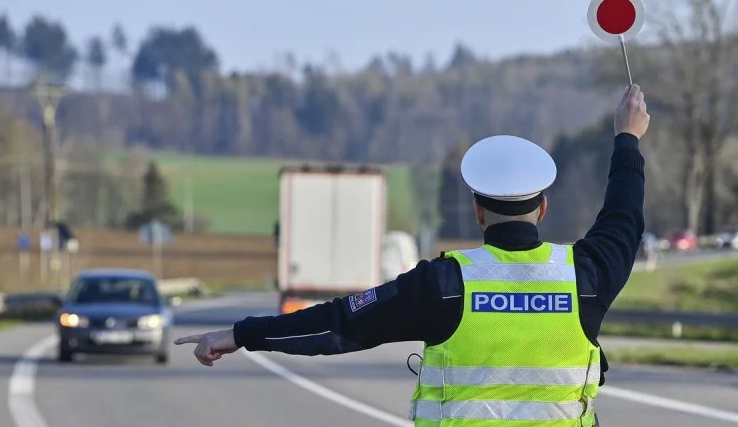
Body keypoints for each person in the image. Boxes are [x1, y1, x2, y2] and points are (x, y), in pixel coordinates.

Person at [175, 84, 650, 426]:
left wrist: (240, 334)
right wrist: (627, 138)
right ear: (543, 208)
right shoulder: (586, 277)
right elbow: (623, 216)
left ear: (478, 212)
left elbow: (337, 323)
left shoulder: (442, 284)